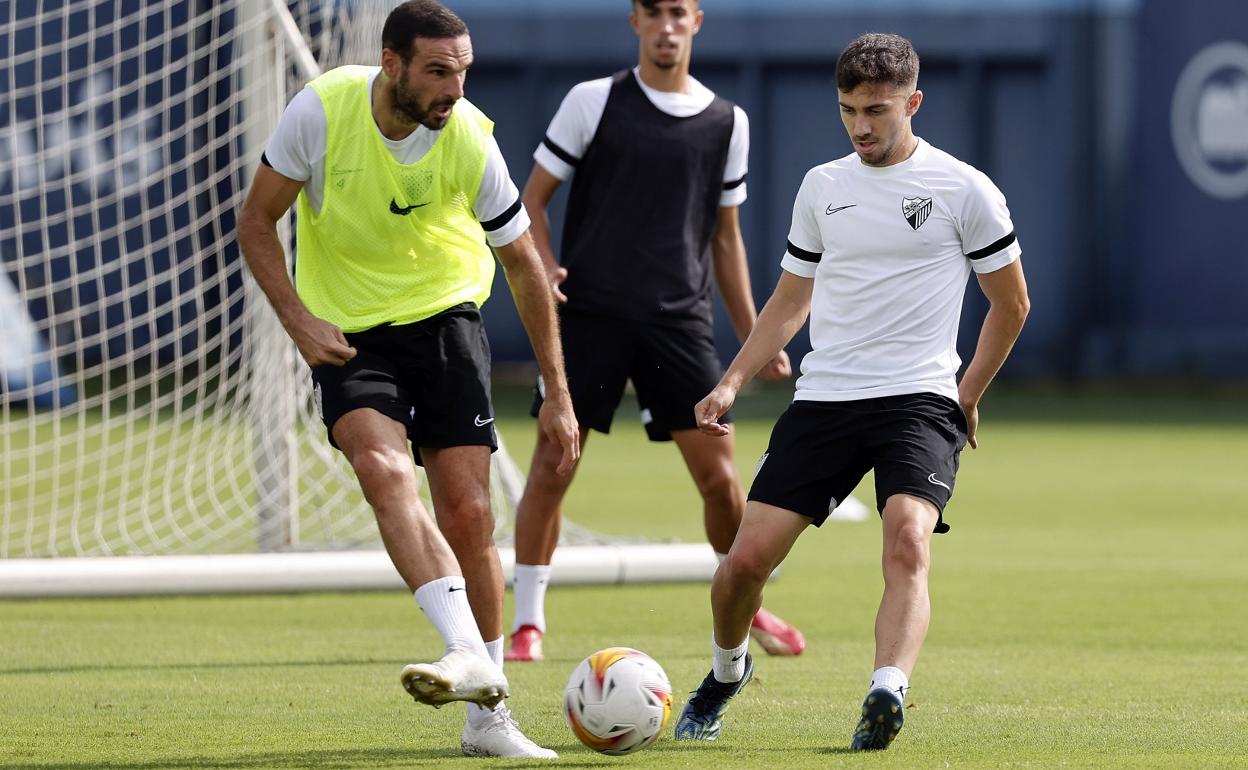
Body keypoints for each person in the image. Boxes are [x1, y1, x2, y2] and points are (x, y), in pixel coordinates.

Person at [236, 0, 578, 759]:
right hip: (348, 334)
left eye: (462, 71)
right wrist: (296, 319)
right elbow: (257, 220)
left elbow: (523, 266)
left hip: (447, 320)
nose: (453, 89)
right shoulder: (321, 111)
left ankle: (486, 722)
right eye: (437, 71)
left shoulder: (469, 139)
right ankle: (471, 660)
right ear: (391, 64)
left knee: (467, 515)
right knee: (384, 471)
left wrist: (557, 391)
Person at [673, 32, 1030, 750]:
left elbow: (1011, 304)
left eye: (877, 110)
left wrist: (965, 394)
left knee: (907, 541)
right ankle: (726, 671)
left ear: (913, 103)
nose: (861, 126)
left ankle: (885, 692)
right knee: (742, 567)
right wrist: (731, 381)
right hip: (826, 400)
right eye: (847, 111)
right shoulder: (823, 187)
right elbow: (790, 301)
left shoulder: (965, 189)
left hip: (920, 401)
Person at [504, 0, 804, 664]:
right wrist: (545, 263)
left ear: (696, 20)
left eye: (678, 12)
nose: (666, 26)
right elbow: (531, 203)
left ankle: (743, 603)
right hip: (589, 317)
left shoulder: (729, 121)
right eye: (653, 13)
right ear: (634, 22)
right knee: (555, 465)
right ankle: (527, 623)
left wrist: (759, 336)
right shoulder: (593, 101)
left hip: (679, 322)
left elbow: (726, 241)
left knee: (721, 482)